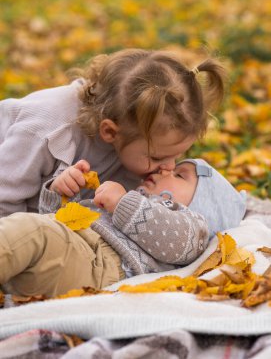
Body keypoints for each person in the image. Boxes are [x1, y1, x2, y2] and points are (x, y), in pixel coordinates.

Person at [0, 48, 226, 218]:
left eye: (176, 154)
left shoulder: (135, 140)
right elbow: (4, 199)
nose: (169, 166)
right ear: (109, 131)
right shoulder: (46, 129)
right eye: (157, 157)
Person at [0, 158, 246, 298]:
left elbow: (176, 240)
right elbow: (56, 223)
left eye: (180, 176)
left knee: (31, 231)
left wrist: (122, 203)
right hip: (69, 251)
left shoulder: (193, 225)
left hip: (97, 263)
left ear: (203, 206)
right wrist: (58, 194)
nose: (165, 169)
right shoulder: (133, 200)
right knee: (27, 237)